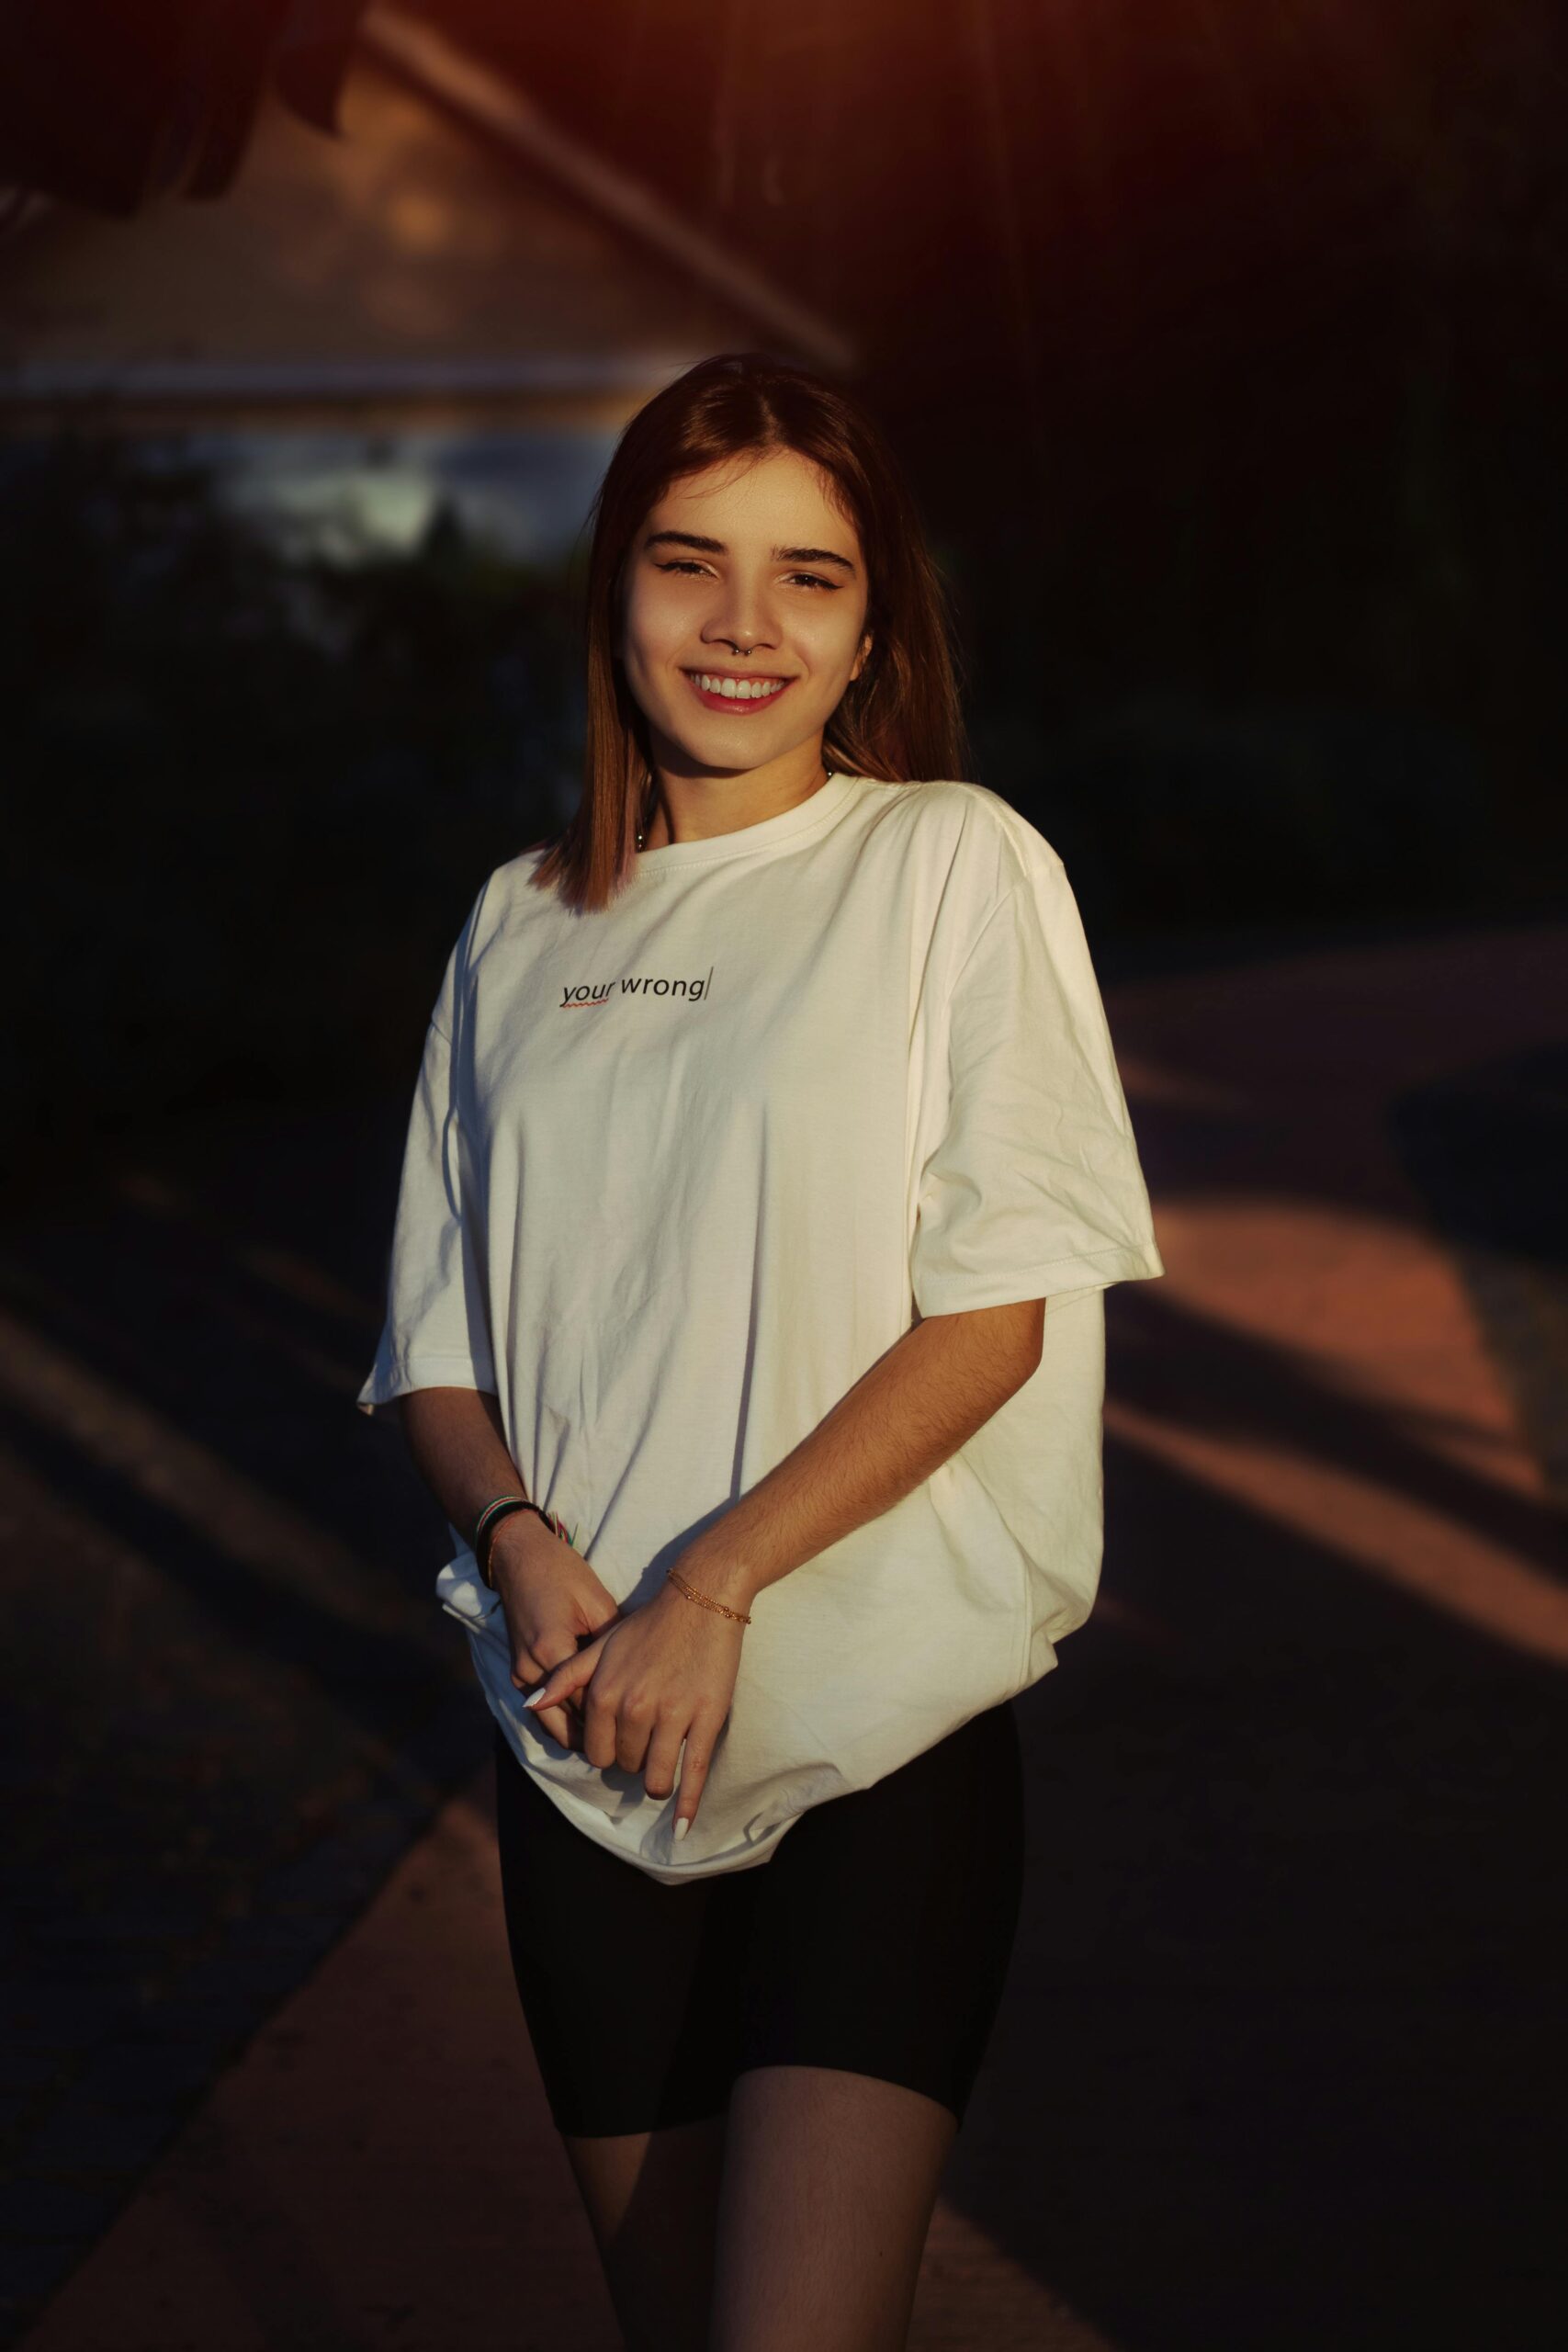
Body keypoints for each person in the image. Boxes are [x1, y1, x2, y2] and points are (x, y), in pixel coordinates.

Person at [356, 350, 1165, 2352]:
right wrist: (522, 1544)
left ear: (873, 628)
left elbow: (993, 1311)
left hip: (871, 1730)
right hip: (578, 1751)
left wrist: (711, 1585)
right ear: (614, 595)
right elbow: (436, 1347)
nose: (742, 624)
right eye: (688, 562)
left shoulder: (950, 864)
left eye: (808, 576)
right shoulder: (516, 922)